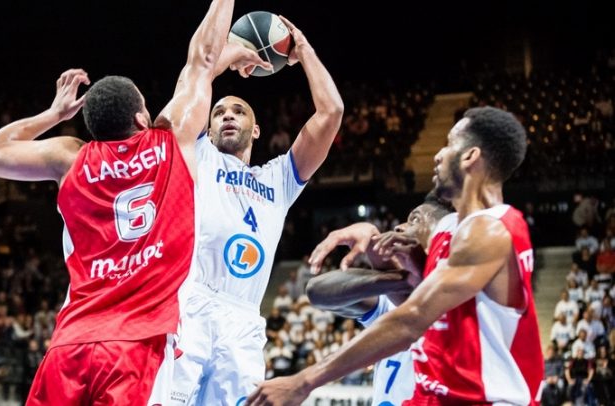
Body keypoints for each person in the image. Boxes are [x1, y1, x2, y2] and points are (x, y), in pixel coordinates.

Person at [0, 1, 264, 404]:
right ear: (143, 119)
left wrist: (54, 113)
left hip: (70, 345)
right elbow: (201, 60)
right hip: (136, 346)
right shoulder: (171, 139)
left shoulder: (69, 158)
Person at [248, 107, 543, 405]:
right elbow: (409, 301)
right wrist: (397, 262)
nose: (438, 155)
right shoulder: (449, 230)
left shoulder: (492, 229)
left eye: (450, 144)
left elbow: (412, 318)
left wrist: (303, 381)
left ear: (469, 157)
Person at [171, 16, 344, 406]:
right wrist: (226, 58)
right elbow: (193, 82)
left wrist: (305, 52)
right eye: (218, 112)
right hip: (191, 302)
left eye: (238, 111)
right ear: (208, 128)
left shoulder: (279, 179)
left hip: (243, 318)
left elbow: (331, 113)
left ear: (257, 130)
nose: (227, 115)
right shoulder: (199, 155)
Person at [304, 193, 453, 405]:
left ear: (441, 237)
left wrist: (419, 277)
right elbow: (317, 291)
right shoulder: (390, 307)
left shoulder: (459, 307)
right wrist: (403, 278)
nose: (399, 227)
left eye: (415, 220)